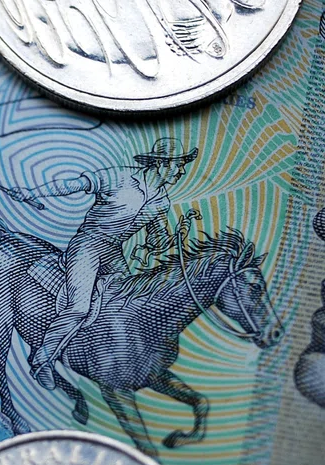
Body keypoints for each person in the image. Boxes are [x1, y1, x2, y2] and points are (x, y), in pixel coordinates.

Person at [12, 137, 199, 390]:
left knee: (124, 307)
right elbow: (73, 185)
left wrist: (181, 230)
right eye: (178, 165)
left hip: (113, 253)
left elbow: (159, 242)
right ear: (160, 164)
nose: (181, 172)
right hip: (87, 245)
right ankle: (43, 358)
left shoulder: (161, 202)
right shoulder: (120, 177)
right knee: (78, 307)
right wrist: (32, 192)